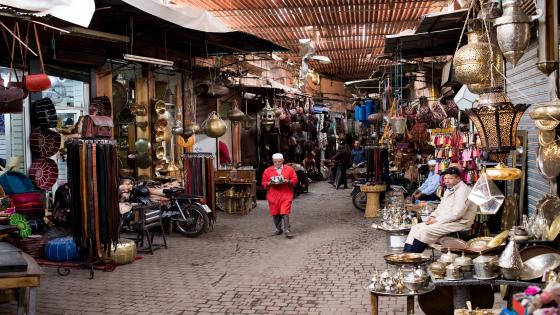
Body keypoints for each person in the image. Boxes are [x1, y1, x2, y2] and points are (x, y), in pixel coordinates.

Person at [404, 167, 475, 253]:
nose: (447, 181)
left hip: (459, 222)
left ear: (458, 178)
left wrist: (437, 220)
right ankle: (406, 255)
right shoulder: (449, 189)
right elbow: (441, 206)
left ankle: (413, 257)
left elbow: (457, 214)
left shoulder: (463, 190)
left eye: (450, 178)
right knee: (416, 227)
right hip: (445, 220)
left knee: (424, 231)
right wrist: (432, 216)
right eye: (445, 178)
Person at [261, 153, 298, 239]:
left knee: (285, 212)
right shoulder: (267, 171)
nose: (277, 163)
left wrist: (288, 181)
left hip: (286, 194)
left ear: (283, 161)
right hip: (273, 195)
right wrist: (269, 183)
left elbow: (295, 179)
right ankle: (279, 228)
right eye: (275, 162)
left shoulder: (289, 169)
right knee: (275, 214)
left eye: (279, 162)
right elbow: (263, 182)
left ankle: (287, 230)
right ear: (273, 161)